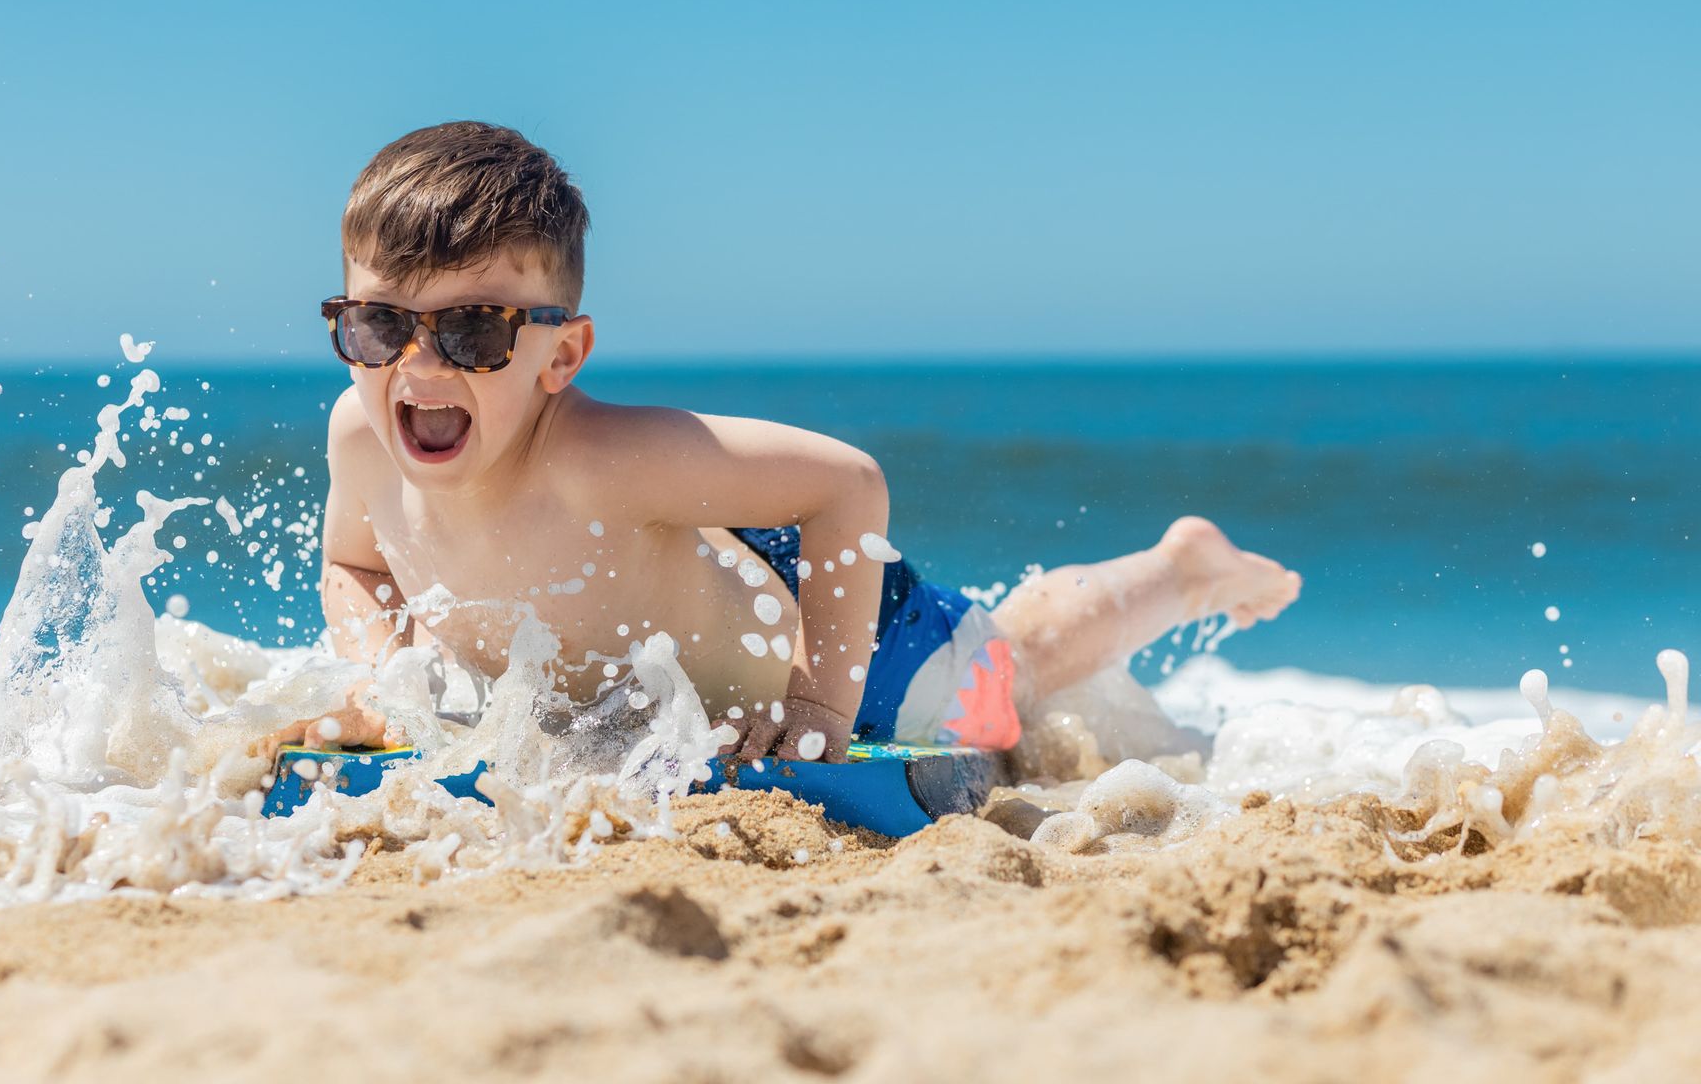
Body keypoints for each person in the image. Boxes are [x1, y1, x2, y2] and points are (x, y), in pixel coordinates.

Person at [286, 121, 1300, 764]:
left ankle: (1179, 565)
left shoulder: (603, 461)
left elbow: (847, 484)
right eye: (378, 325)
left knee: (1014, 669)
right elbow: (353, 559)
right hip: (694, 606)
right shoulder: (360, 440)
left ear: (564, 354)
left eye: (472, 330)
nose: (419, 366)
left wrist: (821, 695)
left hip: (836, 642)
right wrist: (387, 679)